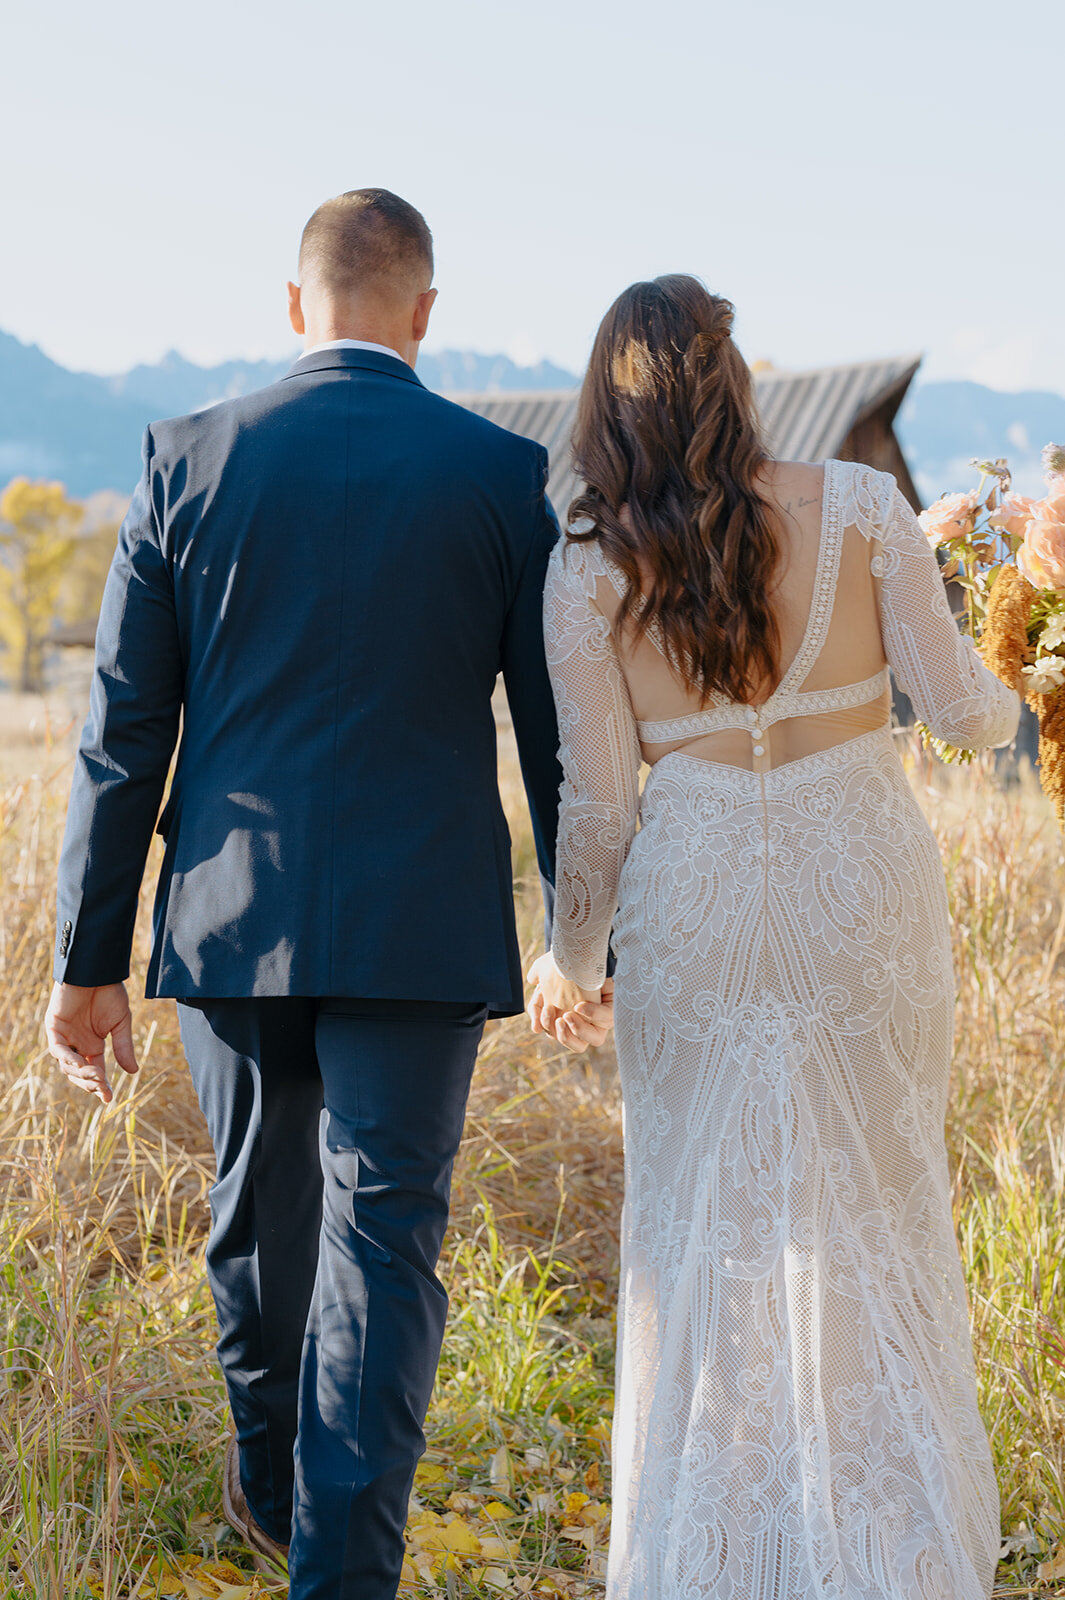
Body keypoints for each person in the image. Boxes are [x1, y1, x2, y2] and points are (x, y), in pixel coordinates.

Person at [44, 187, 612, 1600]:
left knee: (254, 1221)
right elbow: (557, 743)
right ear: (424, 313)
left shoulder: (186, 457)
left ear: (295, 306)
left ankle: (278, 1475)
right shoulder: (498, 474)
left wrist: (86, 959)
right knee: (387, 1239)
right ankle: (337, 1558)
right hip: (421, 929)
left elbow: (123, 730)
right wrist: (577, 937)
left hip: (230, 920)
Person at [527, 275, 1019, 1600]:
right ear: (734, 374)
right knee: (879, 1193)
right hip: (858, 888)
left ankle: (722, 1556)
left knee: (705, 1226)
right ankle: (893, 1550)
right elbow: (972, 720)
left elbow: (597, 815)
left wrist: (566, 964)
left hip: (693, 911)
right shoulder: (861, 510)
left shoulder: (585, 574)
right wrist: (1007, 592)